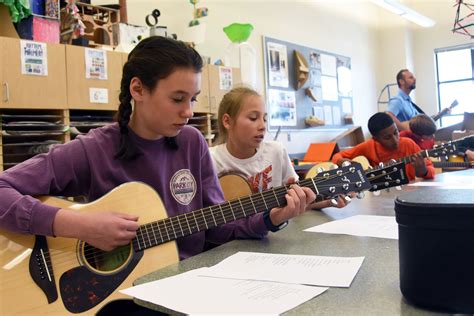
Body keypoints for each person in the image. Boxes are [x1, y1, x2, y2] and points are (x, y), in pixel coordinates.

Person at [0, 37, 315, 315]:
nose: (189, 111)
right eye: (178, 99)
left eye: (193, 99)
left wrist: (271, 217)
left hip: (191, 283)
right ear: (137, 89)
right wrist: (79, 225)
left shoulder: (192, 143)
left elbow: (218, 226)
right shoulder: (93, 148)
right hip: (120, 298)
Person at [209, 87, 349, 212]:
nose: (262, 126)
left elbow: (298, 201)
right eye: (253, 118)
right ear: (227, 121)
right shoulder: (210, 159)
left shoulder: (276, 152)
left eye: (264, 119)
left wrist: (328, 201)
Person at [331, 112, 435, 181]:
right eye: (387, 137)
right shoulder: (368, 146)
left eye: (396, 133)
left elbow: (431, 170)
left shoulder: (409, 144)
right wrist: (343, 162)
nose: (395, 140)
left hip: (407, 195)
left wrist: (424, 170)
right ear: (376, 139)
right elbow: (336, 156)